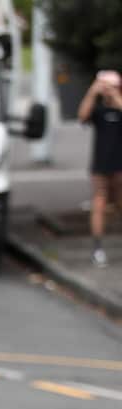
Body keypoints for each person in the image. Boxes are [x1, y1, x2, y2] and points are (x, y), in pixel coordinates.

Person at [77, 70, 122, 268]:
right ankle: (97, 248)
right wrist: (92, 92)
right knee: (99, 204)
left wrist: (116, 97)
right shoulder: (99, 111)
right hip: (101, 165)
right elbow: (82, 116)